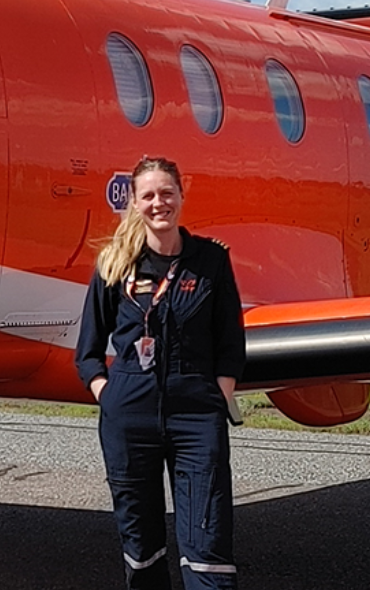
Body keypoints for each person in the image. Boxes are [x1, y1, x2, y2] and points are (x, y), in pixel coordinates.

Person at [74, 157, 246, 590]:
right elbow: (88, 351)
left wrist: (215, 393)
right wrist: (109, 395)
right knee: (140, 543)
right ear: (134, 202)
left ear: (181, 196)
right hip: (130, 415)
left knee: (207, 542)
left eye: (166, 193)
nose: (158, 203)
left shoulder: (210, 261)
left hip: (195, 415)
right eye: (148, 195)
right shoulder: (114, 265)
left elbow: (231, 344)